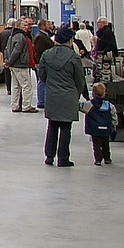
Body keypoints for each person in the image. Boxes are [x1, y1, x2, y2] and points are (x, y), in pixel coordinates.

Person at [37, 26, 90, 165]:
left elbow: (41, 75)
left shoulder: (46, 55)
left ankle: (49, 156)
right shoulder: (74, 57)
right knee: (66, 128)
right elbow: (80, 80)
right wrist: (76, 93)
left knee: (52, 125)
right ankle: (63, 158)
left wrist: (51, 84)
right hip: (69, 95)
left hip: (52, 95)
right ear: (70, 40)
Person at [6, 17, 37, 112]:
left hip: (14, 66)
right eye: (24, 25)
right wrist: (10, 61)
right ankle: (26, 106)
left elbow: (7, 49)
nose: (26, 27)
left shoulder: (12, 35)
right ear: (19, 26)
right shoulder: (20, 36)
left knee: (15, 86)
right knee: (26, 86)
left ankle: (14, 105)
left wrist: (8, 61)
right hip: (20, 65)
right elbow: (17, 50)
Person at [86, 81, 118, 164]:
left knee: (96, 145)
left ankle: (98, 160)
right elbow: (113, 115)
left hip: (94, 129)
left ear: (93, 93)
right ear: (104, 93)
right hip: (106, 128)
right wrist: (114, 124)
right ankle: (107, 158)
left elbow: (81, 107)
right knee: (105, 144)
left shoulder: (89, 104)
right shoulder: (109, 105)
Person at [32, 20, 55, 107]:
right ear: (43, 26)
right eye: (47, 24)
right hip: (43, 63)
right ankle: (41, 101)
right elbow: (39, 51)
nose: (49, 26)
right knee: (41, 81)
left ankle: (44, 99)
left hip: (45, 62)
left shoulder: (44, 35)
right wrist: (41, 61)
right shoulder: (40, 37)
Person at [0, 20, 19, 94]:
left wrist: (3, 51)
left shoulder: (2, 33)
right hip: (15, 57)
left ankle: (8, 88)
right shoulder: (16, 33)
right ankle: (16, 89)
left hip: (5, 55)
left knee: (7, 72)